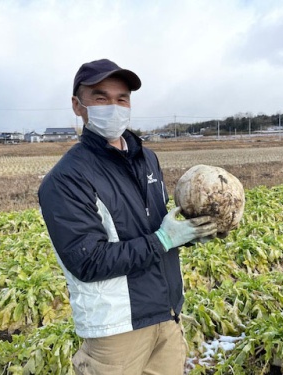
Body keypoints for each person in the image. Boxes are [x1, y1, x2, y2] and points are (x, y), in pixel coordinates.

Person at [38, 58, 218, 375]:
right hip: (115, 330)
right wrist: (164, 239)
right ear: (77, 106)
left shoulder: (146, 159)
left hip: (167, 315)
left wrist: (188, 233)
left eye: (122, 98)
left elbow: (156, 227)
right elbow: (87, 261)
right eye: (100, 97)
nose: (114, 106)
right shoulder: (66, 179)